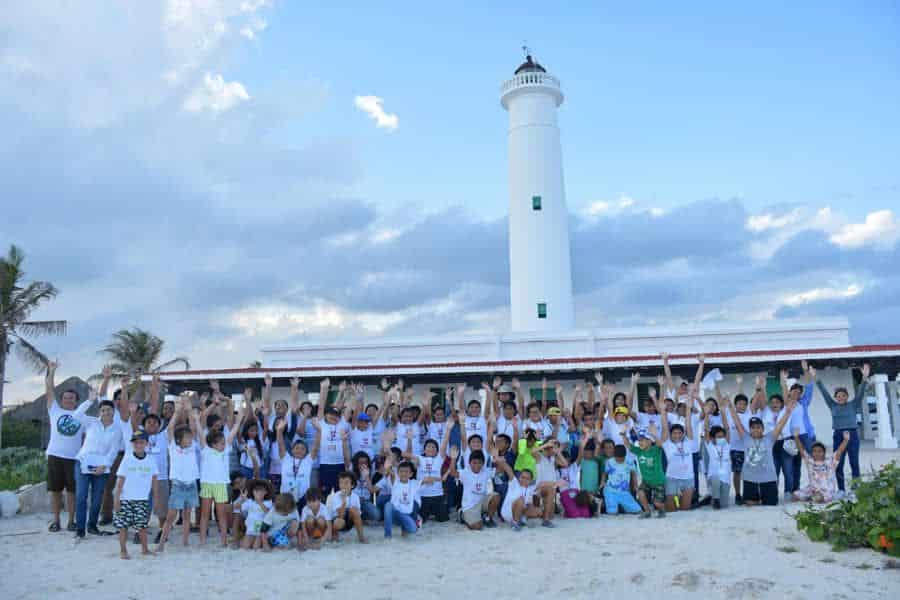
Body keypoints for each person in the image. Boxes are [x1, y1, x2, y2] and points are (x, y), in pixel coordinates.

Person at [45, 361, 94, 533]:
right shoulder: (55, 411)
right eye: (65, 397)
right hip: (54, 456)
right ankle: (56, 521)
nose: (67, 400)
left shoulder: (82, 416)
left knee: (72, 492)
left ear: (76, 401)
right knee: (55, 490)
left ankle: (71, 521)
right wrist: (51, 371)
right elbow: (49, 390)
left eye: (71, 398)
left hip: (74, 458)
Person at [812, 363, 869, 493]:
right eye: (838, 396)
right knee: (838, 463)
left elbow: (860, 392)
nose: (841, 398)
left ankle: (856, 487)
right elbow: (824, 392)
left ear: (847, 396)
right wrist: (816, 377)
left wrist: (864, 377)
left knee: (854, 462)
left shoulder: (853, 404)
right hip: (838, 435)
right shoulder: (832, 405)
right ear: (835, 398)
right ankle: (841, 489)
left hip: (852, 435)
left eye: (843, 395)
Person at [730, 395, 796, 506]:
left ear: (763, 429)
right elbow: (737, 422)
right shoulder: (746, 438)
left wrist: (788, 412)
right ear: (749, 429)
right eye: (753, 427)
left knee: (771, 503)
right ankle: (758, 498)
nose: (756, 429)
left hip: (768, 477)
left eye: (758, 427)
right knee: (749, 502)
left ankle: (761, 498)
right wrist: (731, 408)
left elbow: (780, 425)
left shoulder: (769, 438)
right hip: (750, 478)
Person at [74, 381, 120, 538]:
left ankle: (92, 525)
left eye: (109, 410)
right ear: (100, 411)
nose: (106, 412)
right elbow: (77, 415)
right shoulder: (92, 422)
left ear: (113, 411)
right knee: (81, 496)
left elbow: (113, 452)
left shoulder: (117, 430)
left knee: (97, 498)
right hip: (83, 463)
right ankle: (80, 529)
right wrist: (90, 400)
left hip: (102, 467)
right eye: (103, 410)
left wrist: (104, 466)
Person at [157, 396, 200, 551]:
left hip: (191, 485)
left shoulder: (193, 447)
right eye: (187, 437)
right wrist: (177, 412)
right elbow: (170, 429)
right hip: (178, 486)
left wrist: (189, 410)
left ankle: (185, 542)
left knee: (188, 516)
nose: (190, 438)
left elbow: (194, 428)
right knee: (171, 517)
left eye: (190, 437)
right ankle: (161, 544)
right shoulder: (173, 448)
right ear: (179, 439)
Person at [198, 401, 244, 546]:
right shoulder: (206, 449)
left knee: (221, 514)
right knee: (205, 514)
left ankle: (223, 541)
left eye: (224, 442)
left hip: (220, 485)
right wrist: (194, 419)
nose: (224, 445)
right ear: (212, 444)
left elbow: (232, 433)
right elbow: (200, 432)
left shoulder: (225, 451)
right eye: (220, 443)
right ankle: (203, 541)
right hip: (207, 484)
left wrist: (239, 419)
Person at [113, 431, 159, 560]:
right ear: (132, 444)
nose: (138, 445)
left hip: (142, 499)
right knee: (123, 526)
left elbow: (154, 481)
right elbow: (120, 480)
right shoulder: (127, 459)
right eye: (136, 442)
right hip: (125, 499)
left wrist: (156, 499)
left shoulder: (151, 460)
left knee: (142, 526)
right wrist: (116, 499)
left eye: (141, 442)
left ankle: (145, 549)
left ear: (146, 444)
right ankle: (123, 550)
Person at [403, 421, 452, 523]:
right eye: (428, 446)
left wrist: (447, 430)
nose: (431, 448)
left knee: (443, 519)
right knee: (421, 520)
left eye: (433, 447)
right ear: (424, 449)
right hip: (423, 496)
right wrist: (409, 439)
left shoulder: (439, 458)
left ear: (437, 451)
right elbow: (404, 454)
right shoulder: (420, 458)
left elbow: (444, 443)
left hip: (437, 495)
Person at [660, 392, 698, 512]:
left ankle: (680, 497)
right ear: (671, 434)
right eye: (674, 433)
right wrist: (662, 411)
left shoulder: (689, 442)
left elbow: (688, 425)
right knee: (672, 509)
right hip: (672, 478)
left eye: (679, 433)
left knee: (684, 509)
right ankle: (670, 499)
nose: (677, 435)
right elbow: (665, 426)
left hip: (687, 478)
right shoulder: (667, 444)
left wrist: (688, 409)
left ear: (683, 434)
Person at [449, 447, 500, 530]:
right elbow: (452, 472)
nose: (477, 465)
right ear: (469, 463)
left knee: (496, 496)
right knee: (477, 526)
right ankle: (462, 515)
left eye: (480, 463)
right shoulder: (465, 472)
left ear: (483, 463)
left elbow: (499, 470)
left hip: (482, 502)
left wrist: (496, 458)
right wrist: (453, 458)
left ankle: (488, 518)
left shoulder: (485, 471)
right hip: (469, 507)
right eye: (474, 462)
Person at [622, 422, 666, 518]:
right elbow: (628, 445)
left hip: (658, 482)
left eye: (643, 440)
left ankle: (662, 510)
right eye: (639, 440)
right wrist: (624, 435)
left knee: (657, 503)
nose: (640, 442)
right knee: (640, 493)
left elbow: (660, 444)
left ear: (650, 441)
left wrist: (654, 434)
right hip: (646, 481)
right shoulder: (639, 451)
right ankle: (647, 511)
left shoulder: (655, 450)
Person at [793, 433, 850, 504]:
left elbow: (839, 451)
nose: (817, 453)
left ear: (824, 453)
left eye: (819, 451)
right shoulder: (810, 462)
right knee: (795, 496)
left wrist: (846, 440)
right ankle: (811, 496)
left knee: (819, 498)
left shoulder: (829, 462)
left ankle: (816, 497)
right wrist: (796, 437)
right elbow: (802, 450)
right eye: (814, 451)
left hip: (826, 491)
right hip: (812, 489)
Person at [275, 419, 313, 508]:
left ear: (306, 452)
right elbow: (280, 445)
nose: (299, 450)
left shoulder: (308, 461)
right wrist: (279, 431)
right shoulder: (286, 459)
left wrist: (319, 431)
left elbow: (316, 447)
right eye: (297, 448)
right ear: (291, 450)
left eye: (302, 449)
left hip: (303, 497)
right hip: (285, 497)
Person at [379, 455, 420, 538]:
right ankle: (388, 535)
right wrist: (387, 467)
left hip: (405, 514)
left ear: (411, 474)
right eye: (401, 471)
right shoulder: (395, 481)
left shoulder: (414, 483)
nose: (404, 473)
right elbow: (390, 472)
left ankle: (409, 525)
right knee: (388, 505)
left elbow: (426, 479)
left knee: (413, 529)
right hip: (395, 513)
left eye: (406, 472)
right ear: (398, 473)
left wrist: (440, 478)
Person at [601, 445, 643, 515]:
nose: (620, 460)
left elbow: (633, 474)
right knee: (612, 512)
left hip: (624, 492)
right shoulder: (609, 462)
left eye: (622, 458)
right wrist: (602, 482)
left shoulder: (629, 461)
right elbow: (604, 473)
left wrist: (635, 485)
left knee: (638, 510)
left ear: (625, 455)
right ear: (614, 455)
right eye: (618, 458)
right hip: (610, 491)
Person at [326, 471, 367, 543]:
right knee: (338, 521)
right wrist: (344, 501)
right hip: (338, 521)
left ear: (352, 485)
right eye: (341, 482)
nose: (343, 485)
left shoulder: (355, 497)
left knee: (354, 510)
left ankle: (361, 537)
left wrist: (352, 511)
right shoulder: (336, 496)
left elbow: (358, 516)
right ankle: (335, 535)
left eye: (346, 483)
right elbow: (340, 515)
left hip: (349, 522)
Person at [241, 479, 274, 549]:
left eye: (261, 490)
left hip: (260, 530)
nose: (258, 492)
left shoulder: (268, 502)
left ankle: (264, 541)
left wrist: (259, 502)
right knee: (245, 546)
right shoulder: (250, 501)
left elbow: (268, 512)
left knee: (256, 547)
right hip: (250, 528)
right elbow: (242, 510)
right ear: (252, 491)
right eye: (256, 490)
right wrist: (243, 500)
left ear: (266, 492)